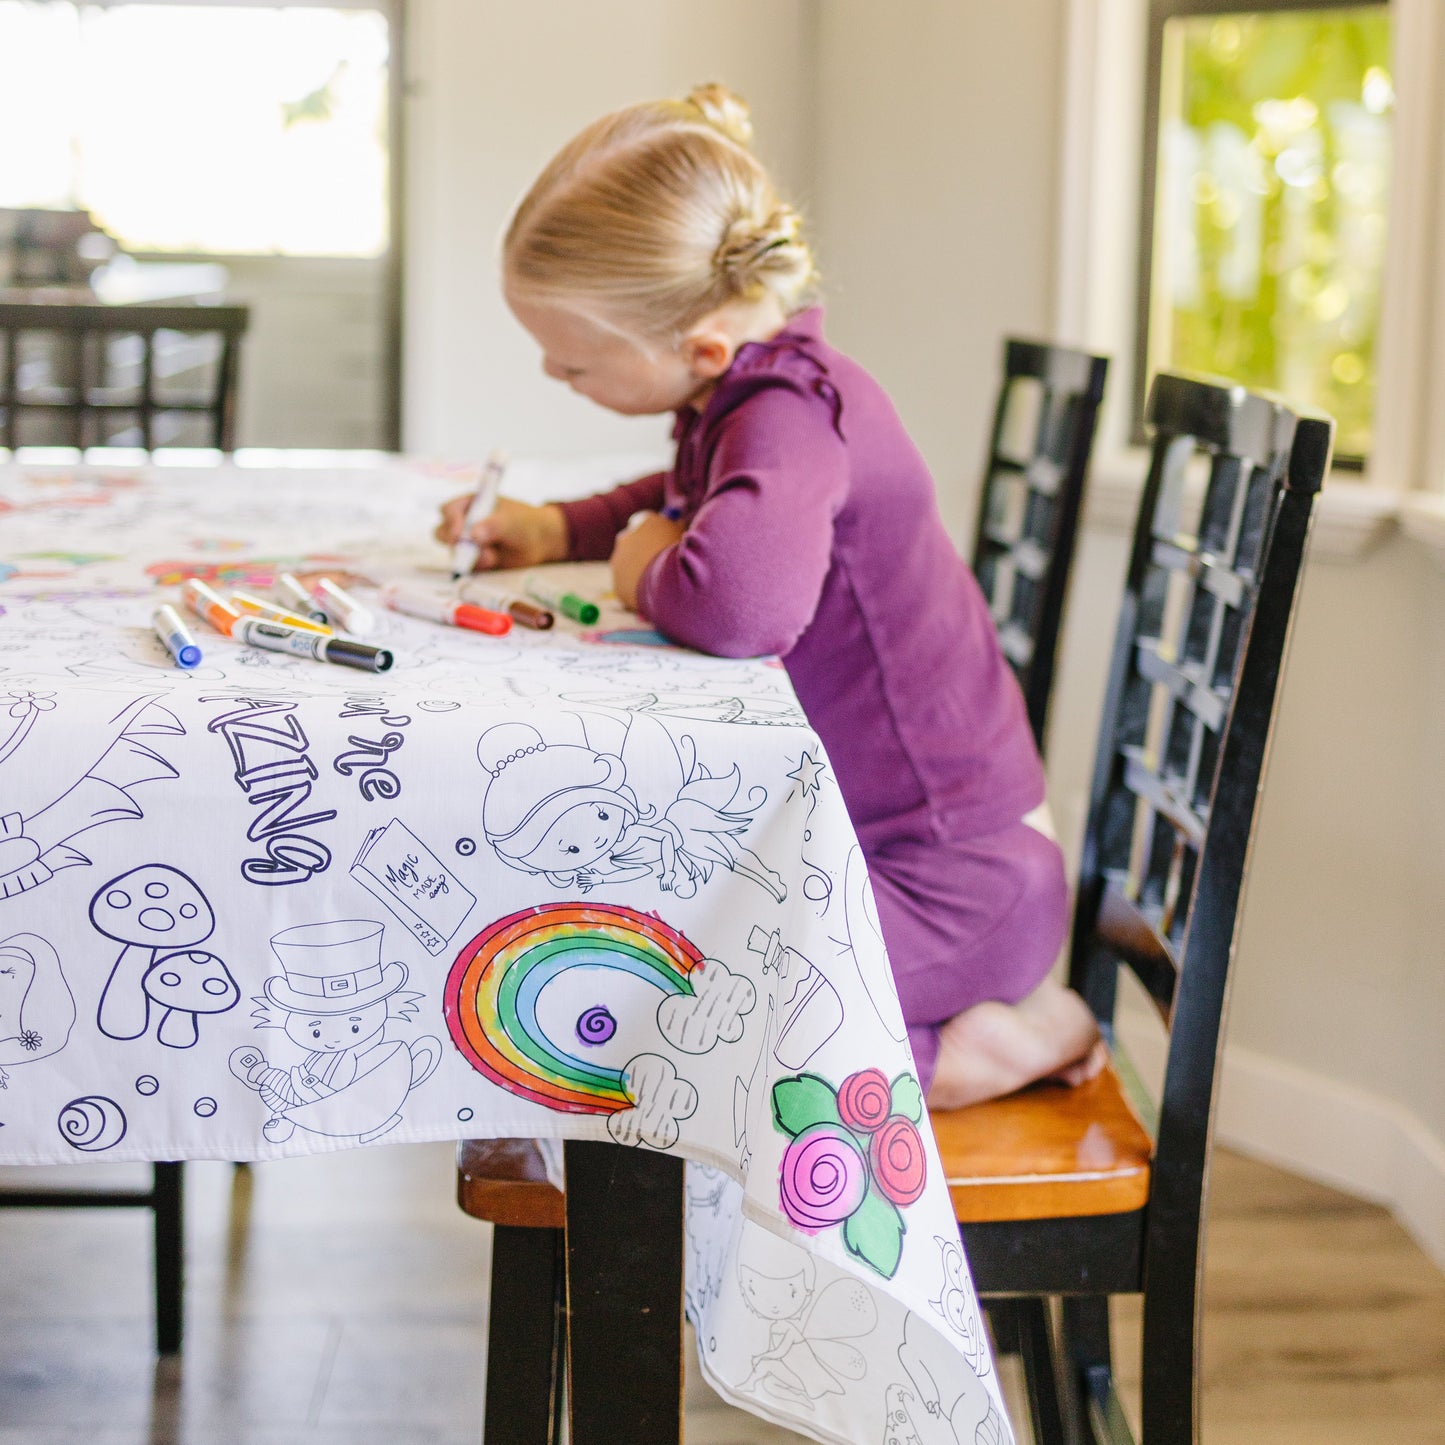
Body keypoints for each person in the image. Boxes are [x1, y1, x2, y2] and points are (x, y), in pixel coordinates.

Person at [435, 84, 1103, 1108]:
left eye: (573, 365)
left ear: (699, 348)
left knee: (674, 1015)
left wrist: (634, 565)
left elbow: (737, 604)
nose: (551, 372)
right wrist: (560, 526)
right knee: (646, 972)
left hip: (948, 888)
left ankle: (990, 1051)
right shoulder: (751, 391)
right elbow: (684, 497)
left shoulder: (788, 410)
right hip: (895, 858)